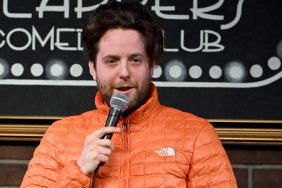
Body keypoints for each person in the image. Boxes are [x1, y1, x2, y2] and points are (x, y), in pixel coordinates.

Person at [21, 1, 237, 187]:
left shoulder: (197, 134)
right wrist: (80, 170)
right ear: (93, 68)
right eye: (111, 61)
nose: (124, 72)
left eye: (135, 60)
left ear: (151, 64)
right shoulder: (59, 136)